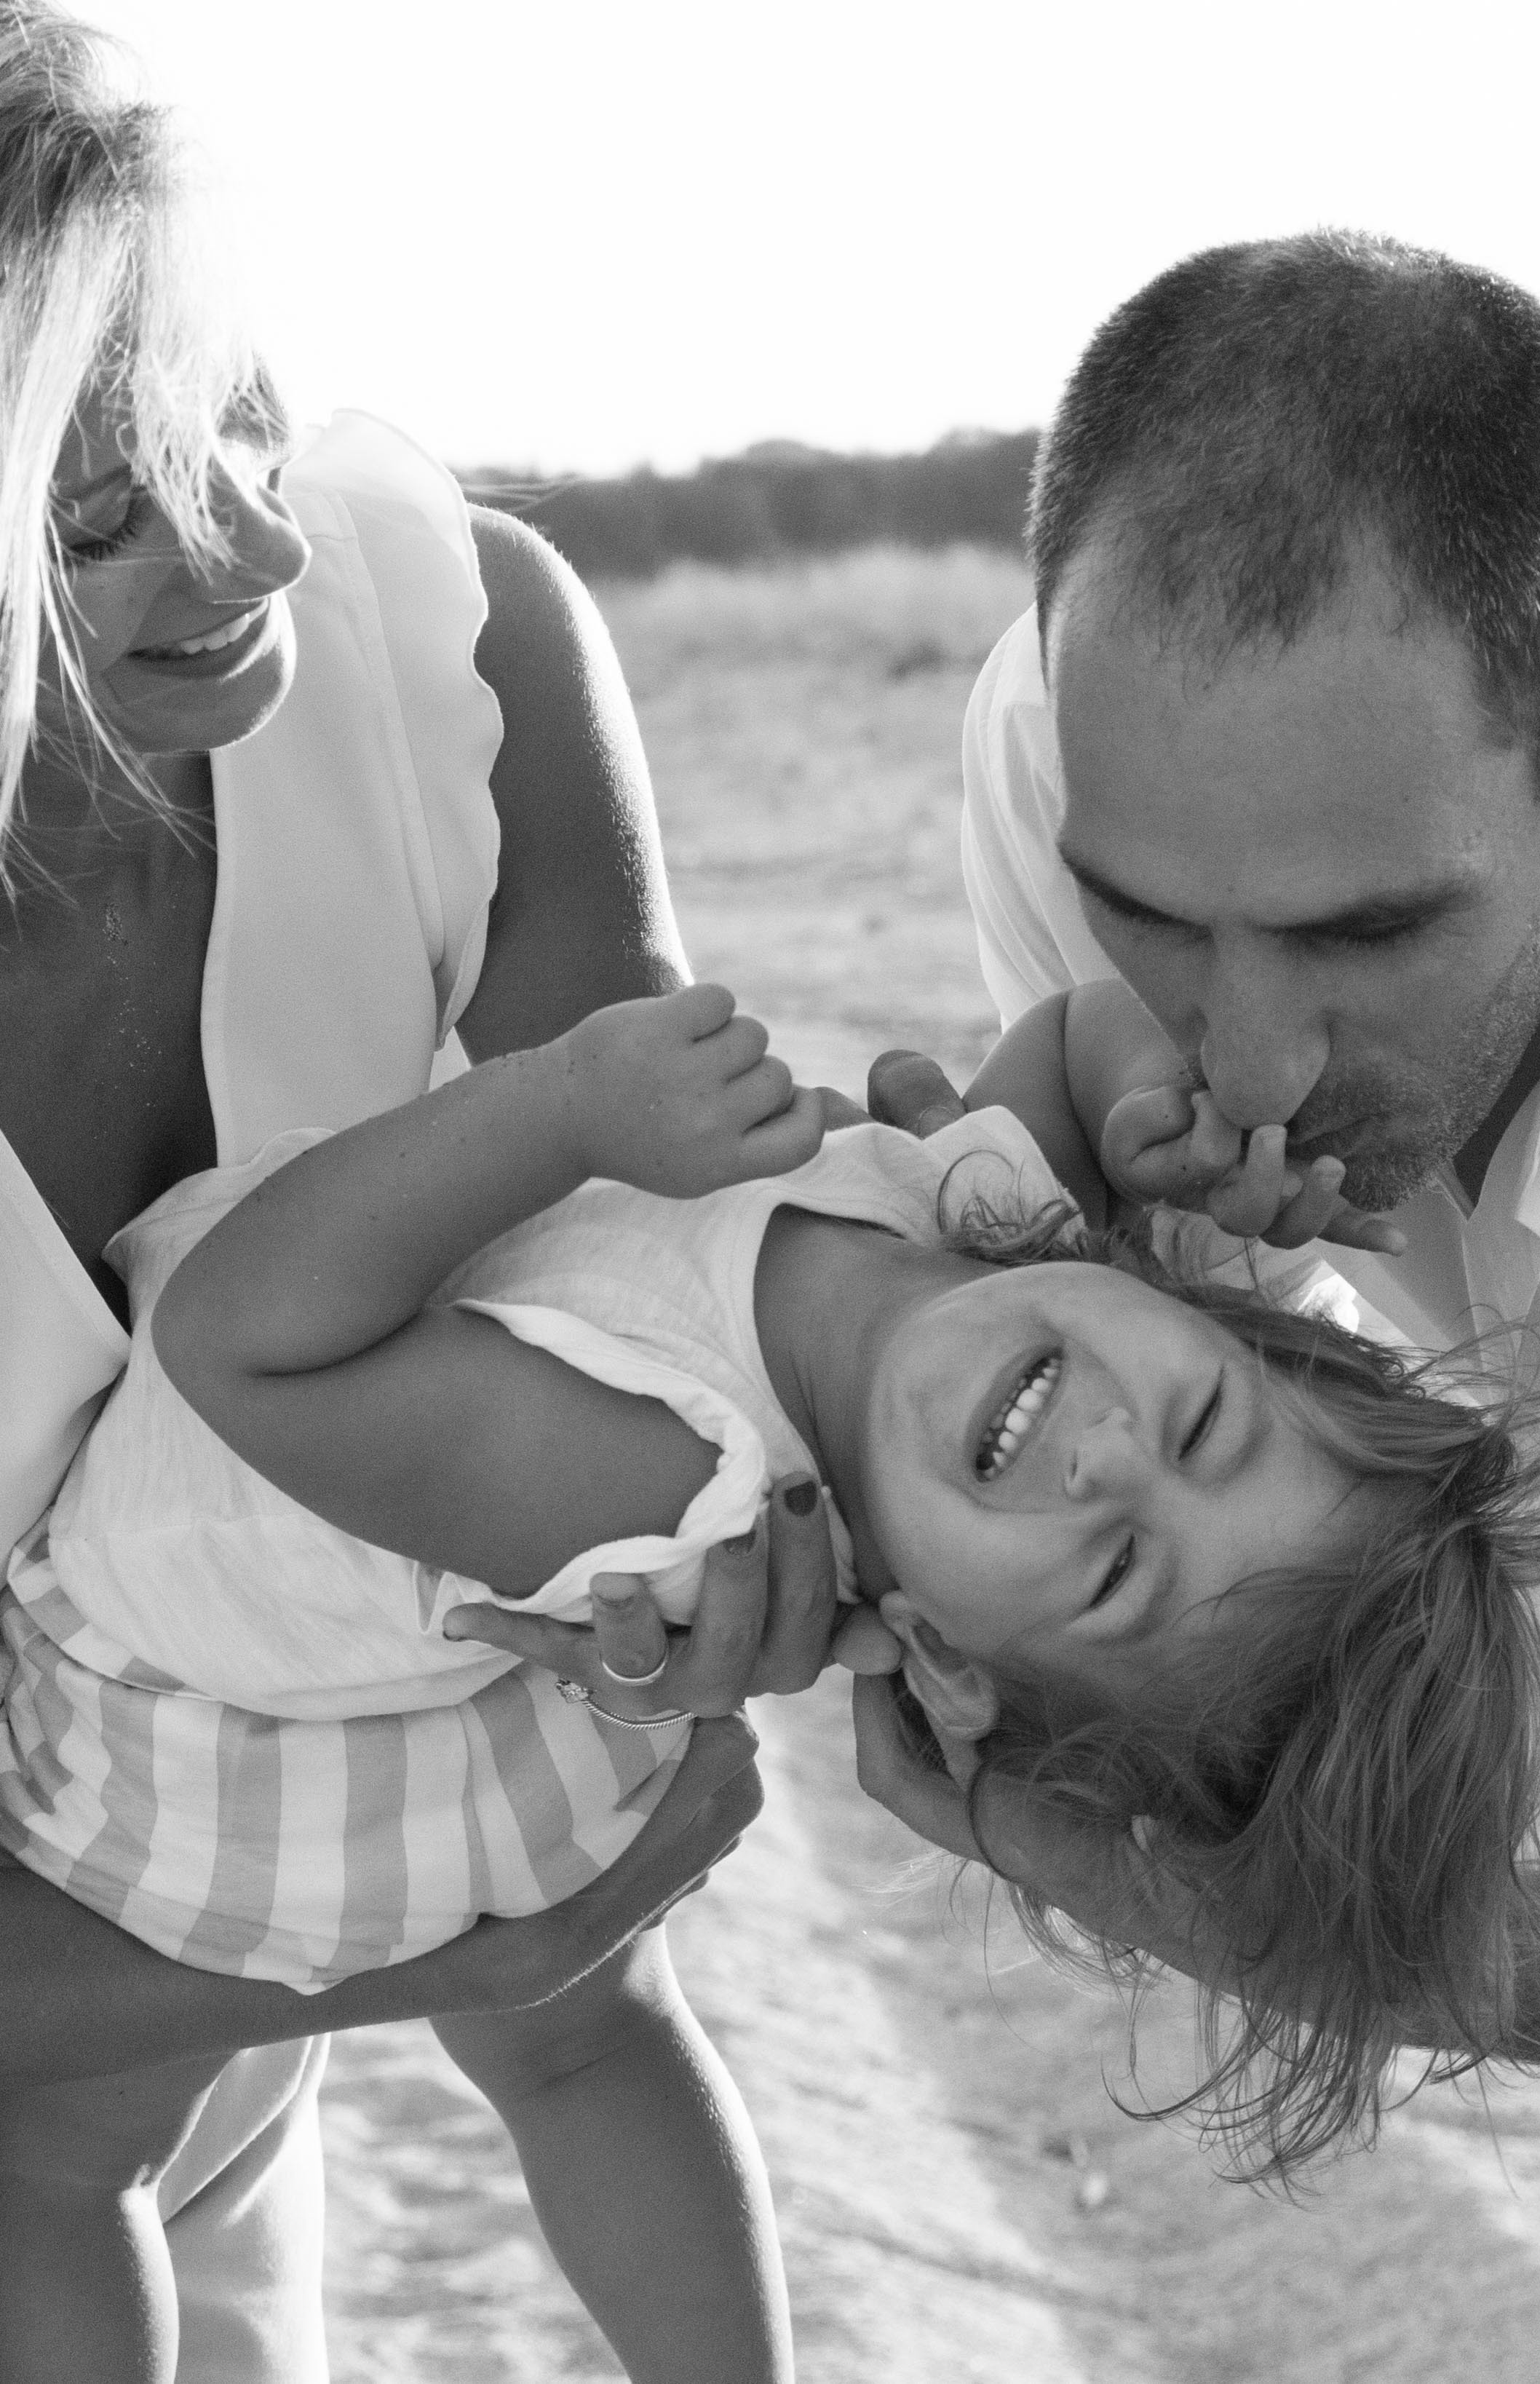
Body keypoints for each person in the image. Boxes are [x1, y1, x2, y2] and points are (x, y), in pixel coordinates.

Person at [0, 969, 1540, 2380]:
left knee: (71, 2162)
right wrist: (1155, 1105)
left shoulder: (644, 1470)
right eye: (1209, 1421)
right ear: (1225, 1318)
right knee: (589, 2052)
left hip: (220, 1705)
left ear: (942, 1656)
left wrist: (558, 1110)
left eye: (1112, 1571)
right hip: (543, 1706)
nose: (1102, 1453)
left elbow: (246, 1343)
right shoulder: (971, 1235)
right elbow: (1080, 1039)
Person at [0, 12, 836, 2379]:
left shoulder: (434, 639)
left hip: (190, 1982)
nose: (253, 533)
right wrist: (411, 1955)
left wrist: (741, 1511)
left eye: (239, 402)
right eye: (100, 510)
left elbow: (674, 1234)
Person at [861, 229, 1540, 2091]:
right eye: (1145, 921)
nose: (1244, 1067)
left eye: (1369, 934)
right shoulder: (1081, 740)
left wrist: (1340, 1958)